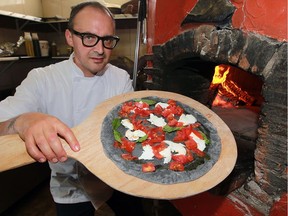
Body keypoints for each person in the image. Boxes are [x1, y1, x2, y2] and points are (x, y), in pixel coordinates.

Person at [0, 1, 144, 216]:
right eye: (88, 37)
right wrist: (23, 121)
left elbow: (130, 128)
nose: (99, 49)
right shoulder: (43, 79)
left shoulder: (120, 78)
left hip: (116, 177)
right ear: (69, 37)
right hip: (70, 185)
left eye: (107, 40)